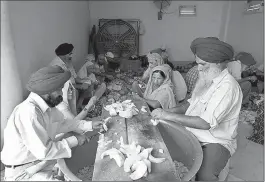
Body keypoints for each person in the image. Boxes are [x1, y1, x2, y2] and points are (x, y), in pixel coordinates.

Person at [151, 37, 243, 181]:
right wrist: (168, 111)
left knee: (204, 175)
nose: (199, 68)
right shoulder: (207, 80)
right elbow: (189, 104)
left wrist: (166, 115)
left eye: (203, 64)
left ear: (218, 63)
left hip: (215, 141)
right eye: (197, 63)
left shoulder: (227, 87)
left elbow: (205, 123)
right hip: (192, 133)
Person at [1, 66, 103, 181]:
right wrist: (75, 140)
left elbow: (63, 124)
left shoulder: (48, 106)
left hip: (39, 164)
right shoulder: (29, 113)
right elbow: (44, 151)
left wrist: (88, 125)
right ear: (47, 91)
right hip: (23, 171)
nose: (61, 93)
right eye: (59, 89)